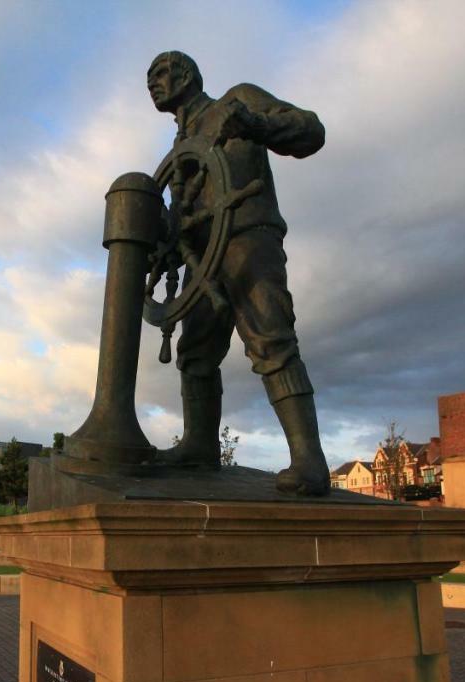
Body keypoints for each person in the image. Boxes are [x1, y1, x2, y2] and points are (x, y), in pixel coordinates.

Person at [147, 50, 331, 495]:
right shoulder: (181, 147)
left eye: (160, 74)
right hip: (204, 256)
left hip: (249, 237)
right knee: (195, 352)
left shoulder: (238, 100)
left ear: (187, 74)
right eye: (149, 79)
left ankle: (309, 461)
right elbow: (181, 218)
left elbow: (311, 130)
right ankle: (200, 445)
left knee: (271, 340)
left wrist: (255, 124)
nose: (153, 83)